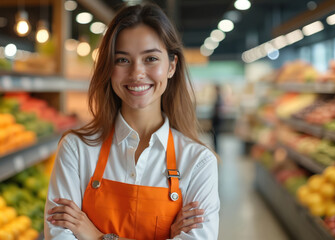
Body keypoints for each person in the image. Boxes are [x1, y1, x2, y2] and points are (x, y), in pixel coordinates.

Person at [44, 2, 220, 240]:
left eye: (150, 59)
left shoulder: (198, 162)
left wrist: (98, 237)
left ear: (171, 66)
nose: (137, 73)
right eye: (123, 60)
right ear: (109, 67)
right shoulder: (76, 149)